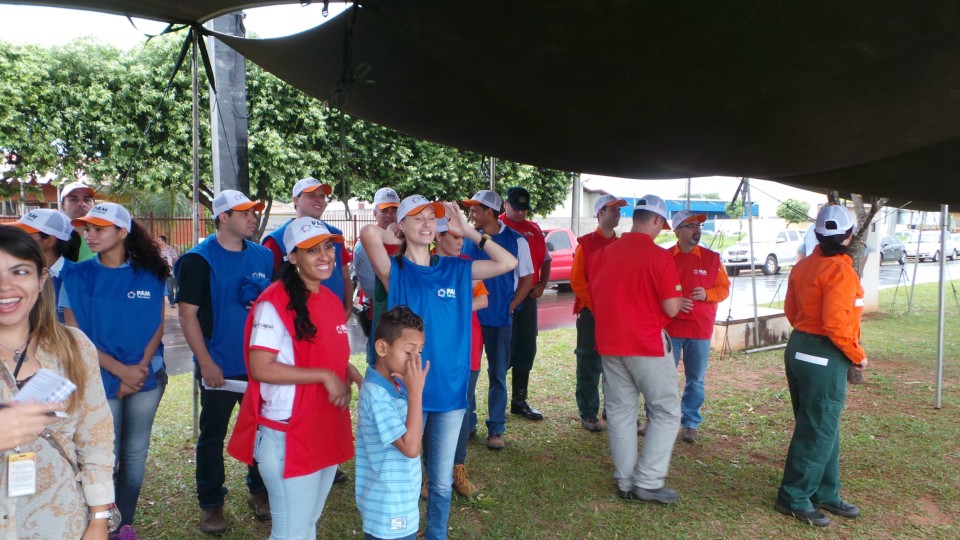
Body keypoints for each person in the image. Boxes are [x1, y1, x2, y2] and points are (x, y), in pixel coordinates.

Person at [360, 195, 516, 540]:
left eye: (433, 217)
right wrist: (397, 234)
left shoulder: (457, 267)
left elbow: (507, 262)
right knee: (405, 472)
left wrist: (470, 232)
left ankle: (436, 534)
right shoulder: (396, 271)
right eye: (417, 217)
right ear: (402, 225)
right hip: (406, 392)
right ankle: (404, 530)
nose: (428, 222)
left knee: (442, 478)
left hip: (449, 392)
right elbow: (370, 234)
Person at [227, 217, 359, 540]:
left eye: (327, 246)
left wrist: (355, 376)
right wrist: (325, 377)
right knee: (292, 531)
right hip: (287, 433)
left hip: (324, 425)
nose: (325, 255)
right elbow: (260, 367)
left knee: (307, 523)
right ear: (292, 257)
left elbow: (333, 357)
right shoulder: (273, 302)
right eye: (311, 250)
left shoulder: (328, 300)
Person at [60, 202, 169, 538]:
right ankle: (101, 522)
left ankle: (124, 523)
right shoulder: (75, 275)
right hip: (99, 379)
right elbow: (75, 335)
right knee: (102, 456)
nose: (89, 235)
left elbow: (157, 326)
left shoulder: (150, 273)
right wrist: (121, 371)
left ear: (122, 232)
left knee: (135, 454)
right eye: (86, 228)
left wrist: (137, 370)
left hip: (144, 376)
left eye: (99, 228)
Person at [0, 227, 116, 539]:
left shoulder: (73, 348)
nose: (5, 286)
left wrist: (99, 519)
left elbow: (96, 439)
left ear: (40, 279)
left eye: (19, 271)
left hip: (63, 522)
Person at [175, 189, 274, 534]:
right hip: (219, 367)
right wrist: (206, 363)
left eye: (253, 212)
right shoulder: (198, 260)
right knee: (212, 435)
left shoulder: (263, 257)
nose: (252, 218)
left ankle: (259, 490)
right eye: (244, 213)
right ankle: (211, 503)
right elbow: (187, 316)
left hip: (260, 366)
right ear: (223, 218)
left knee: (263, 432)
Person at [775, 205, 867, 527]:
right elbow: (834, 324)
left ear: (816, 234)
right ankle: (794, 497)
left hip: (799, 346)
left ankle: (825, 491)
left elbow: (790, 309)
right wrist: (858, 354)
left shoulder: (802, 267)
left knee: (821, 425)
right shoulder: (841, 272)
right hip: (825, 353)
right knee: (816, 428)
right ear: (849, 236)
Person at [588, 194, 683, 504]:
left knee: (620, 413)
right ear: (656, 220)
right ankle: (649, 481)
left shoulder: (601, 255)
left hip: (610, 343)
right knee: (667, 411)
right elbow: (670, 308)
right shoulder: (659, 257)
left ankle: (626, 481)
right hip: (646, 344)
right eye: (662, 225)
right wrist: (678, 301)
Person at [459, 190, 533, 450]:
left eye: (475, 210)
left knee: (498, 374)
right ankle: (467, 424)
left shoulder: (517, 241)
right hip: (470, 320)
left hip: (500, 319)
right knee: (467, 374)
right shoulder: (466, 238)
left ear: (490, 212)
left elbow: (527, 279)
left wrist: (511, 306)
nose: (471, 214)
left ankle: (496, 429)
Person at [355, 306, 429, 540]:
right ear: (382, 348)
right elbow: (410, 447)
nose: (416, 359)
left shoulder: (394, 386)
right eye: (409, 352)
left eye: (420, 351)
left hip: (398, 501)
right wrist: (416, 393)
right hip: (388, 508)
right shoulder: (377, 394)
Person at [431, 217, 488, 497]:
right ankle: (432, 474)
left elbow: (483, 300)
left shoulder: (467, 263)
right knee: (431, 409)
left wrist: (451, 304)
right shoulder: (424, 263)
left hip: (467, 346)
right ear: (437, 236)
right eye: (454, 236)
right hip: (434, 349)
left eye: (461, 236)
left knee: (462, 406)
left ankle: (457, 468)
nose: (460, 241)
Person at [665, 209, 731, 444]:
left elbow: (724, 289)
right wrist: (673, 301)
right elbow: (650, 289)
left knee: (696, 378)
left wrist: (707, 293)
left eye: (698, 226)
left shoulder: (712, 258)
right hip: (669, 328)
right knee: (662, 377)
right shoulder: (664, 257)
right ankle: (657, 418)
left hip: (699, 329)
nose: (697, 230)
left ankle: (690, 422)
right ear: (677, 231)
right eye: (691, 226)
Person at [569, 194, 626, 432]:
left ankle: (611, 409)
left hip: (616, 314)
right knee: (589, 362)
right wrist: (598, 306)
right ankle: (588, 412)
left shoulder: (622, 245)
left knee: (615, 364)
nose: (617, 214)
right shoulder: (587, 243)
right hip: (591, 314)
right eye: (612, 210)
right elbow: (577, 281)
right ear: (600, 212)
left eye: (618, 210)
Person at [263, 177, 354, 320]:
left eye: (322, 196)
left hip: (334, 318)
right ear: (295, 200)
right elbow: (269, 285)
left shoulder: (336, 235)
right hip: (297, 322)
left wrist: (347, 309)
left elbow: (345, 276)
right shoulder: (276, 240)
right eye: (312, 195)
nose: (319, 199)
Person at [499, 186, 550, 421]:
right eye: (516, 208)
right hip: (504, 298)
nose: (520, 213)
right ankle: (496, 402)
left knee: (526, 348)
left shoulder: (534, 230)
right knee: (502, 350)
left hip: (528, 297)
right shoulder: (495, 226)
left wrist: (542, 284)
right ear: (505, 205)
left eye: (524, 209)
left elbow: (546, 260)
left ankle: (519, 401)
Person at [9, 208, 75, 322]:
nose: (18, 238)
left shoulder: (78, 276)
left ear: (50, 240)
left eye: (26, 234)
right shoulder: (11, 272)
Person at [59, 181, 98, 262]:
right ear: (62, 206)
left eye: (87, 200)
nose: (81, 204)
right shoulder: (53, 237)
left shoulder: (109, 236)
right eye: (73, 199)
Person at [157, 235, 179, 306]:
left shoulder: (170, 249)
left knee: (169, 287)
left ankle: (172, 302)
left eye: (159, 240)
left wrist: (168, 259)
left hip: (168, 270)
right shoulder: (157, 250)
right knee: (159, 286)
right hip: (159, 270)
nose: (158, 241)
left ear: (163, 241)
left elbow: (175, 258)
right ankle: (159, 301)